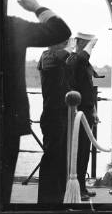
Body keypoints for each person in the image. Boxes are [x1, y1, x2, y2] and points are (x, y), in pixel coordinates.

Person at [1, 0, 71, 204]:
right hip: (21, 118)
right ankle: (48, 199)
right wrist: (37, 8)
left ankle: (55, 196)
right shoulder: (11, 28)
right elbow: (60, 31)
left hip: (53, 115)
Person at [37, 39, 76, 203]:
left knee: (61, 158)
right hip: (52, 114)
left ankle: (58, 197)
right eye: (64, 41)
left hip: (63, 114)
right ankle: (46, 200)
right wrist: (69, 49)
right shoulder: (47, 56)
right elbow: (53, 61)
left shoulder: (60, 61)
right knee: (52, 157)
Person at [66, 33, 99, 201]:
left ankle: (82, 187)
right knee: (79, 152)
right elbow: (80, 59)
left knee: (85, 151)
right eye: (86, 44)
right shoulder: (73, 60)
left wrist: (93, 110)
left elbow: (88, 88)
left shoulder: (83, 63)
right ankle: (78, 188)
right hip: (77, 112)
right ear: (79, 43)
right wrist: (90, 45)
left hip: (86, 111)